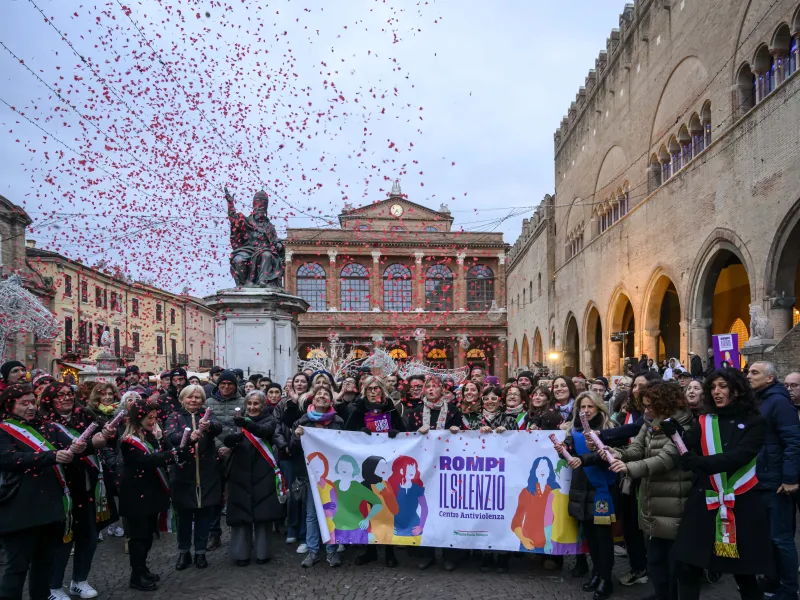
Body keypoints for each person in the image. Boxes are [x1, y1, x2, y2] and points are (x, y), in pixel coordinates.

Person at [673, 369, 773, 600]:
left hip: (741, 502)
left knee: (744, 573)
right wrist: (676, 437)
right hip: (704, 500)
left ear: (736, 390)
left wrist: (698, 461)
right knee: (688, 566)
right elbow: (687, 451)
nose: (716, 392)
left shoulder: (755, 422)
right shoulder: (703, 420)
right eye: (712, 388)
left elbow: (739, 456)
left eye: (722, 386)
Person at [607, 381, 694, 600]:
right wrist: (618, 453)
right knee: (655, 560)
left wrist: (628, 468)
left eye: (649, 405)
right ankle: (662, 594)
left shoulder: (685, 423)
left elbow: (666, 459)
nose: (645, 410)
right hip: (652, 499)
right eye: (644, 405)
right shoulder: (649, 421)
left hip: (674, 499)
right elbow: (637, 448)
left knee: (676, 564)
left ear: (663, 403)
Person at [0, 384, 85, 600]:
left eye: (32, 402)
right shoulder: (3, 430)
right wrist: (51, 457)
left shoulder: (46, 427)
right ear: (10, 405)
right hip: (19, 507)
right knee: (17, 567)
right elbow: (9, 459)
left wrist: (80, 445)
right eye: (24, 403)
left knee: (44, 566)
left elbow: (72, 445)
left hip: (49, 506)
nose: (30, 407)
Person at [39, 381, 116, 600]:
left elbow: (103, 438)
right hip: (59, 488)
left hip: (86, 483)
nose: (66, 398)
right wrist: (92, 444)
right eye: (60, 395)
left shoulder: (85, 416)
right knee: (63, 540)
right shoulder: (43, 422)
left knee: (88, 536)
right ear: (49, 399)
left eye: (69, 394)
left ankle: (79, 580)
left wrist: (107, 434)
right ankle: (53, 587)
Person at [554, 391, 618, 600]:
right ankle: (596, 572)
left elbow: (610, 457)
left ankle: (606, 579)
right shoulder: (575, 430)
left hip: (602, 490)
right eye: (582, 407)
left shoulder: (609, 429)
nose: (586, 411)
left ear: (599, 408)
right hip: (582, 488)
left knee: (603, 537)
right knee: (589, 536)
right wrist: (562, 450)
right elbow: (571, 453)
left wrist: (584, 457)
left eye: (590, 407)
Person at [746, 361, 800, 600]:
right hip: (763, 479)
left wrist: (789, 479)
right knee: (770, 537)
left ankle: (789, 590)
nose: (749, 375)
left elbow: (793, 442)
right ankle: (773, 580)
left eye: (754, 372)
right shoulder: (761, 400)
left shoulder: (779, 403)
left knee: (781, 538)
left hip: (777, 481)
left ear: (769, 378)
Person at [119, 397, 184, 591]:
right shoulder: (128, 440)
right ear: (138, 418)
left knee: (148, 535)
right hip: (135, 494)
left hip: (150, 492)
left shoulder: (150, 435)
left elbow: (160, 454)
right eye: (149, 417)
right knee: (138, 537)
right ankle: (136, 575)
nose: (153, 420)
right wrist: (170, 456)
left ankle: (143, 568)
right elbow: (144, 461)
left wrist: (163, 442)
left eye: (155, 416)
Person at [405, 376, 462, 571]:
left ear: (442, 391)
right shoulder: (416, 413)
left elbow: (464, 436)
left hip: (447, 469)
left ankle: (450, 555)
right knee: (425, 510)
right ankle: (426, 553)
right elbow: (407, 437)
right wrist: (416, 432)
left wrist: (457, 430)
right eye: (427, 387)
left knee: (447, 511)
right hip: (424, 468)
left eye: (434, 387)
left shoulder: (453, 411)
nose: (430, 389)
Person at [223, 390, 286, 566]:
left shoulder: (269, 420)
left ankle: (262, 553)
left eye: (256, 403)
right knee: (241, 516)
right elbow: (226, 438)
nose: (252, 407)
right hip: (240, 472)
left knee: (263, 516)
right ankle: (241, 554)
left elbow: (262, 431)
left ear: (263, 405)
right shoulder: (238, 420)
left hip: (263, 472)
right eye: (249, 404)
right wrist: (233, 437)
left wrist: (245, 424)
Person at [165, 385, 223, 570]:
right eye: (190, 397)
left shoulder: (207, 415)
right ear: (183, 399)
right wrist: (189, 437)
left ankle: (200, 552)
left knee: (204, 515)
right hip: (183, 473)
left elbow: (218, 428)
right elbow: (171, 437)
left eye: (198, 397)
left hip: (206, 473)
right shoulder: (175, 416)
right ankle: (184, 552)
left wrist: (210, 426)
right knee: (184, 516)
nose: (194, 400)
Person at [291, 386, 346, 568]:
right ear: (312, 401)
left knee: (332, 513)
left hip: (331, 476)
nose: (322, 396)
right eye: (318, 394)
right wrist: (297, 437)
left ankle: (331, 552)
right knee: (312, 515)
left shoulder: (338, 421)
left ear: (331, 400)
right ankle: (313, 551)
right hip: (311, 476)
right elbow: (293, 449)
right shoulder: (303, 422)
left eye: (326, 394)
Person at [278, 372, 311, 552]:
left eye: (303, 381)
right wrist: (292, 402)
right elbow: (284, 423)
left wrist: (301, 401)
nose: (299, 384)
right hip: (290, 453)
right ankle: (292, 527)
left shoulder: (311, 402)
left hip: (308, 455)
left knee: (306, 496)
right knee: (292, 493)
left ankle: (305, 533)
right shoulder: (284, 403)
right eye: (296, 381)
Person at [356, 456, 400, 567]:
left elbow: (394, 508)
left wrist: (385, 492)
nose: (384, 469)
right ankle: (370, 552)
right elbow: (360, 505)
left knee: (386, 529)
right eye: (380, 466)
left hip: (386, 521)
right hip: (370, 521)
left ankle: (389, 553)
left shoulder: (385, 484)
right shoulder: (363, 486)